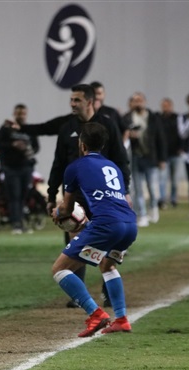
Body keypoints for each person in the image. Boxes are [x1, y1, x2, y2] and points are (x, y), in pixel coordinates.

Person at [51, 122, 137, 337]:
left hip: (107, 225)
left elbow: (67, 208)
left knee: (60, 269)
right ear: (103, 145)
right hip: (129, 225)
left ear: (81, 144)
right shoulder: (113, 167)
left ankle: (95, 314)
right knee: (107, 265)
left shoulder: (75, 167)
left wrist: (57, 213)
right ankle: (121, 319)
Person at [122, 92, 167, 227]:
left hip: (151, 157)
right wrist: (129, 135)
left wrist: (162, 159)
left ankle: (153, 208)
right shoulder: (127, 118)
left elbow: (160, 138)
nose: (138, 103)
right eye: (135, 100)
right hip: (135, 157)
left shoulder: (153, 118)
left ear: (145, 101)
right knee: (137, 188)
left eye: (140, 100)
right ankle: (141, 214)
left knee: (152, 187)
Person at [0, 103, 39, 234]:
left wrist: (27, 149)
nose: (21, 116)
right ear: (14, 113)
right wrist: (13, 144)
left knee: (23, 196)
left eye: (23, 113)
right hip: (11, 168)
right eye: (19, 113)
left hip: (26, 167)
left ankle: (21, 222)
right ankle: (16, 223)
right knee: (14, 196)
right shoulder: (6, 129)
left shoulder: (29, 129)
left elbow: (36, 146)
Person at [158, 98, 182, 209]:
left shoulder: (177, 118)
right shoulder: (159, 119)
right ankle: (162, 200)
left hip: (175, 153)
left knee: (174, 179)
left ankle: (173, 199)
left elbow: (181, 134)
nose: (165, 108)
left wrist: (181, 148)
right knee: (163, 178)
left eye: (167, 106)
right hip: (163, 154)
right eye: (164, 106)